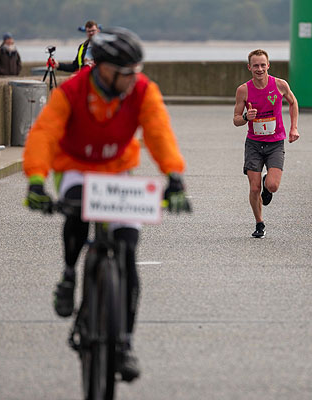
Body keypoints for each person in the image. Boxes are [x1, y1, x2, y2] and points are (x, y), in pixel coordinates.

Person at [23, 27, 191, 382]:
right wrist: (36, 179)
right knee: (76, 212)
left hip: (116, 171)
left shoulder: (142, 90)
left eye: (135, 72)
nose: (133, 80)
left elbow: (158, 132)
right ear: (102, 68)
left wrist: (174, 176)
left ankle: (125, 344)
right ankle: (69, 276)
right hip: (74, 167)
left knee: (128, 251)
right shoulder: (72, 90)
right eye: (125, 73)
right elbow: (45, 132)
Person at [232, 49, 300, 238]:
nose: (260, 69)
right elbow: (236, 119)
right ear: (249, 68)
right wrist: (246, 116)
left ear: (268, 65)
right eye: (256, 65)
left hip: (275, 143)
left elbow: (293, 103)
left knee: (272, 186)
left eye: (263, 65)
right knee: (254, 188)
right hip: (253, 143)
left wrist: (294, 128)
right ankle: (259, 223)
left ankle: (266, 180)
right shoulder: (243, 90)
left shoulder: (279, 85)